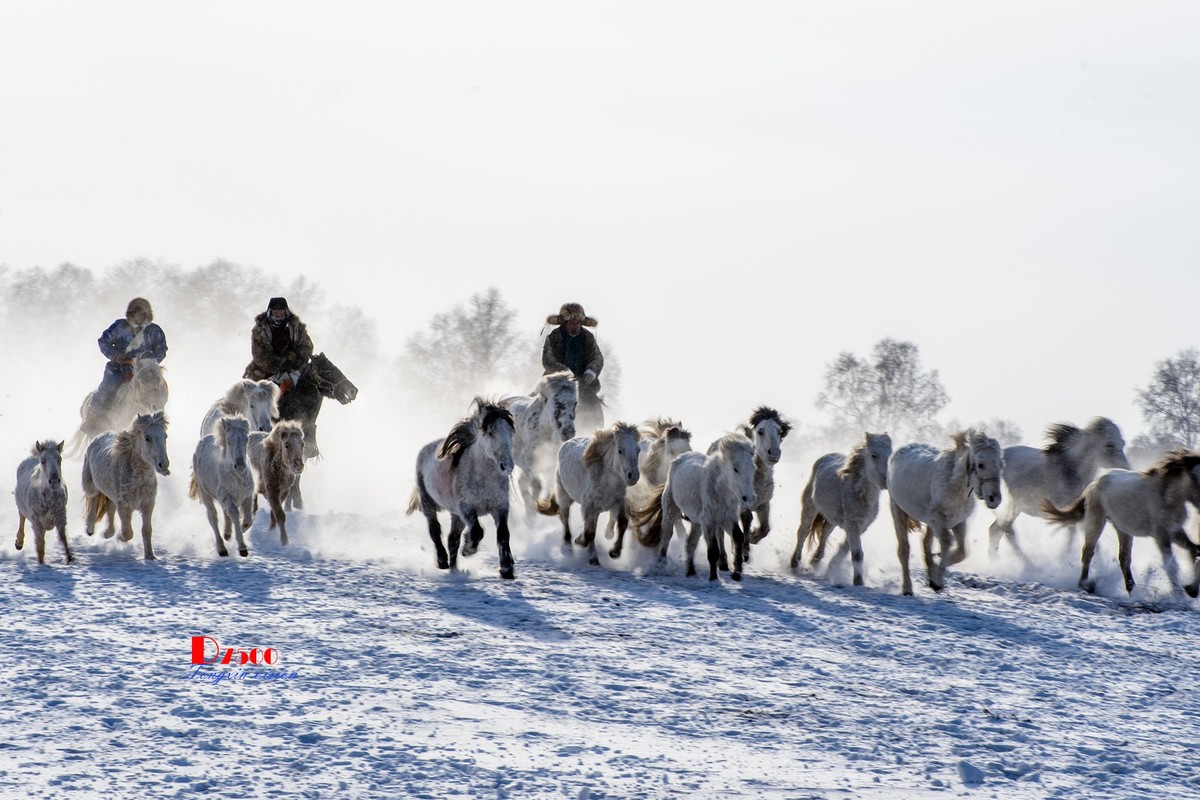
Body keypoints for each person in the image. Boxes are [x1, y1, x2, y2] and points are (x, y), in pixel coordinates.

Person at [88, 297, 168, 416]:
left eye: (143, 315)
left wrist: (151, 361)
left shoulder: (154, 330)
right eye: (137, 314)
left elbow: (161, 348)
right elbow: (103, 341)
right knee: (109, 386)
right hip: (120, 367)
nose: (140, 317)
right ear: (131, 315)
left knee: (160, 388)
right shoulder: (119, 327)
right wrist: (117, 356)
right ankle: (94, 416)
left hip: (146, 368)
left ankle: (158, 417)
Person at [542, 302, 604, 431]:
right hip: (557, 381)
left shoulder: (588, 337)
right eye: (571, 323)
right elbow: (548, 359)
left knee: (593, 404)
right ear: (565, 323)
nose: (574, 326)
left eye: (577, 323)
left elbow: (597, 357)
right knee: (542, 403)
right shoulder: (554, 337)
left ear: (581, 323)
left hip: (583, 382)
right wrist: (563, 371)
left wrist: (591, 371)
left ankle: (595, 432)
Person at [243, 297, 314, 394]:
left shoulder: (297, 327)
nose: (279, 316)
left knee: (311, 385)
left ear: (286, 313)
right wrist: (278, 364)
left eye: (281, 313)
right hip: (266, 370)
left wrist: (294, 359)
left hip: (294, 366)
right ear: (269, 313)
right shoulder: (260, 330)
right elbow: (259, 354)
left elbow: (307, 346)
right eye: (276, 313)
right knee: (250, 392)